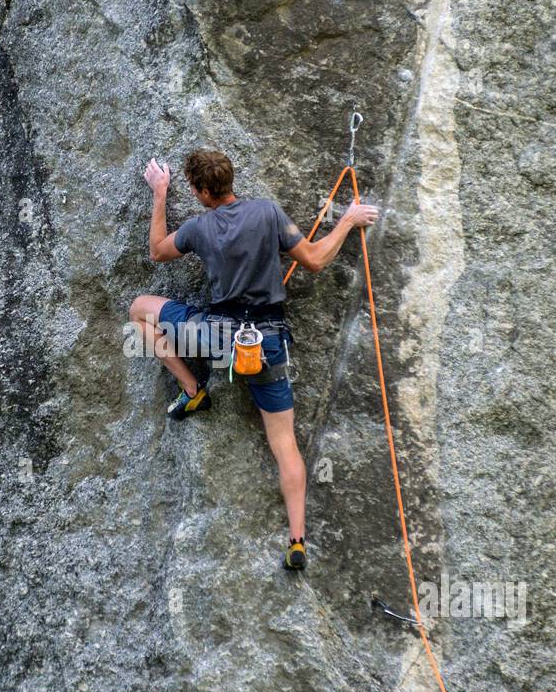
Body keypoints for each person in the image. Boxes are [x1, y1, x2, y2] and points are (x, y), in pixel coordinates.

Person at [129, 148, 379, 570]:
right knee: (285, 445)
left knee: (140, 310)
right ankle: (297, 540)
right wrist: (349, 221)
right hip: (268, 344)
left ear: (204, 191)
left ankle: (193, 390)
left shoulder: (198, 228)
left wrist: (159, 193)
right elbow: (316, 259)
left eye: (193, 189)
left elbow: (156, 251)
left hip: (216, 337)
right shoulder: (267, 213)